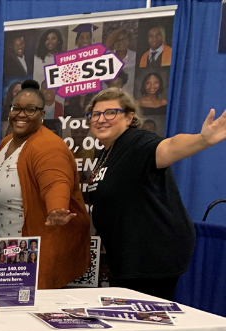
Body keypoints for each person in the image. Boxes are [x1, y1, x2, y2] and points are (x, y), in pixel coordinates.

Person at [86, 88, 226, 299]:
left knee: (143, 324)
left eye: (111, 113)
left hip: (152, 256)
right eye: (95, 114)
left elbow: (168, 147)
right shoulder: (105, 153)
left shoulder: (137, 142)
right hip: (126, 255)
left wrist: (201, 140)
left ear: (129, 118)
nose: (101, 119)